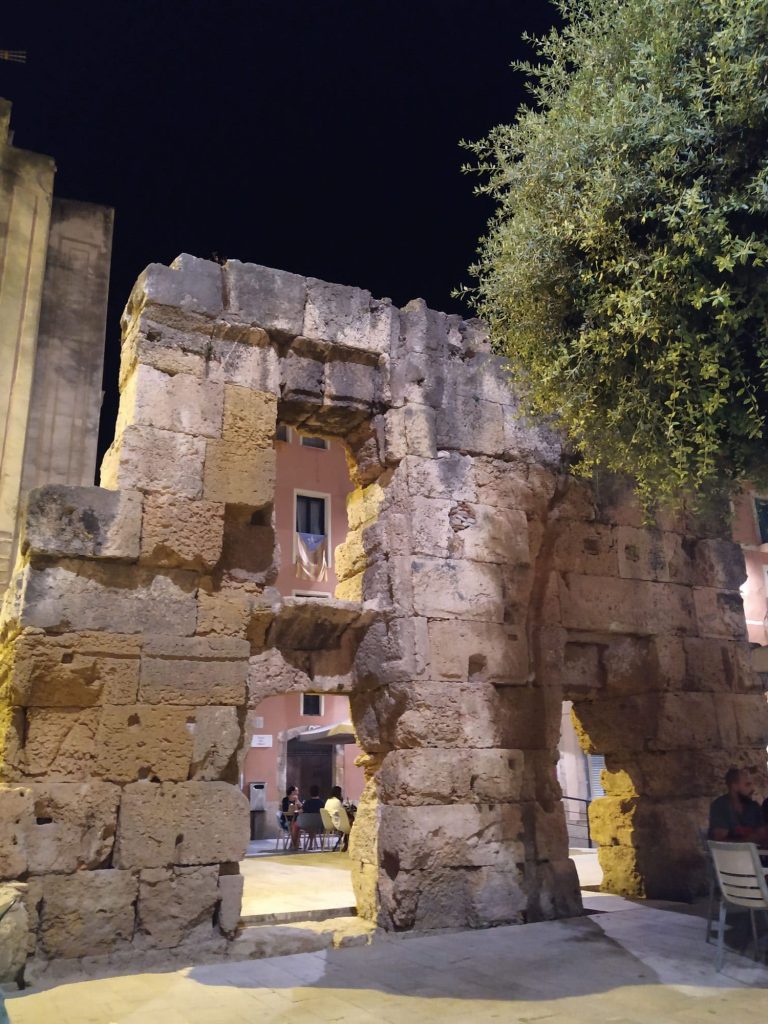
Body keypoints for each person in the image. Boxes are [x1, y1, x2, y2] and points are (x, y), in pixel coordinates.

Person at [709, 768, 768, 844]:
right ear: (734, 786)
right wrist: (748, 841)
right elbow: (719, 841)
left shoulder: (753, 806)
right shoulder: (720, 806)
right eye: (747, 784)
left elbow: (762, 835)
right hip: (727, 854)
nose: (752, 789)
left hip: (755, 853)